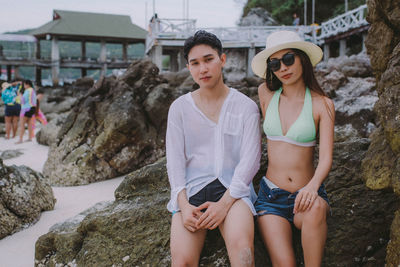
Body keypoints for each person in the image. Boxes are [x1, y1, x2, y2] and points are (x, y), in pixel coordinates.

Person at [166, 30, 261, 266]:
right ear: (188, 67)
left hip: (233, 191)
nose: (203, 69)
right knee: (182, 262)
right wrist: (183, 205)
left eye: (208, 60)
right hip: (192, 192)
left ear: (222, 59)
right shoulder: (179, 108)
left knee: (243, 252)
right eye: (195, 63)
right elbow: (175, 161)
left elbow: (251, 161)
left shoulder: (246, 107)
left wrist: (224, 205)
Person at [251, 30, 335, 266]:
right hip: (270, 197)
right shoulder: (266, 94)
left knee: (316, 209)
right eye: (275, 64)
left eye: (289, 59)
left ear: (302, 58)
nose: (283, 68)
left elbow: (326, 158)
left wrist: (312, 187)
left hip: (307, 195)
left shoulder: (323, 105)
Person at [16, 79, 37, 144]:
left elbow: (23, 101)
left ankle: (20, 139)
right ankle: (30, 138)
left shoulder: (27, 91)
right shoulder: (33, 90)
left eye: (24, 84)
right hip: (32, 109)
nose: (24, 86)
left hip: (25, 109)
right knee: (29, 124)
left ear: (27, 84)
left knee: (21, 125)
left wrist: (19, 95)